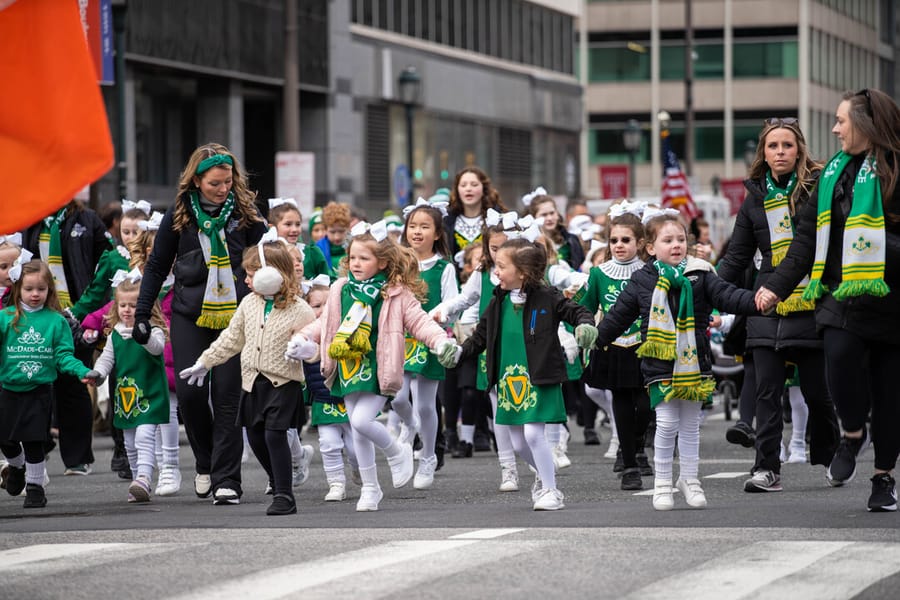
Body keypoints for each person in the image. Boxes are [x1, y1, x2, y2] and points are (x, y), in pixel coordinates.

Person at [756, 88, 900, 512]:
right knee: (839, 360)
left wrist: (880, 249)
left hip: (893, 302)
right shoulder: (830, 176)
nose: (835, 129)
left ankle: (884, 477)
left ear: (867, 126)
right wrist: (775, 287)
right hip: (840, 297)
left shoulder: (896, 171)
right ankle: (853, 433)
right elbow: (804, 243)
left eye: (842, 121)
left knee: (890, 394)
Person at [594, 210, 758, 510]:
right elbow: (618, 316)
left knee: (691, 424)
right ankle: (662, 484)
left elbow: (729, 296)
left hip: (695, 361)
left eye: (681, 239)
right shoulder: (643, 279)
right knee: (667, 423)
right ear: (650, 247)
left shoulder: (701, 273)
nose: (676, 245)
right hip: (659, 362)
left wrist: (758, 300)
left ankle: (691, 479)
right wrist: (595, 339)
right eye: (667, 240)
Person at [288, 221, 457, 512]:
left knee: (360, 422)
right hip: (347, 365)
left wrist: (440, 342)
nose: (356, 263)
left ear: (382, 262)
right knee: (359, 429)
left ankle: (398, 450)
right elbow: (325, 322)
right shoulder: (341, 288)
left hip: (379, 367)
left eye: (364, 258)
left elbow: (420, 323)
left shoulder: (396, 293)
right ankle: (371, 488)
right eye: (353, 257)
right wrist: (302, 337)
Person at [133, 143, 268, 505]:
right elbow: (157, 266)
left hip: (235, 318)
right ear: (196, 180)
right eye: (214, 184)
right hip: (189, 314)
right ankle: (206, 462)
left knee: (226, 397)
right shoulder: (178, 217)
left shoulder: (246, 215)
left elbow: (268, 260)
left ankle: (228, 480)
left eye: (227, 182)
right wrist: (143, 313)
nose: (223, 189)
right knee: (191, 394)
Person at [717, 117, 840, 494]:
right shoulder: (754, 198)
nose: (780, 152)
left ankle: (834, 448)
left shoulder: (819, 189)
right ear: (763, 153)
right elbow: (736, 257)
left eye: (787, 145)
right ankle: (767, 468)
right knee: (766, 392)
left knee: (818, 394)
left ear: (799, 149)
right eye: (773, 146)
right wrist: (709, 287)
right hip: (766, 303)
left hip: (811, 301)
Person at [441, 237, 597, 511]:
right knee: (517, 442)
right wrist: (459, 353)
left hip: (538, 377)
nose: (496, 271)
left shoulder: (547, 297)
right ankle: (545, 474)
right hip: (508, 381)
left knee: (534, 436)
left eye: (501, 266)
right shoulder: (498, 300)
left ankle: (551, 489)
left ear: (522, 273)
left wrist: (585, 326)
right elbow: (480, 337)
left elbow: (578, 312)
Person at [180, 238, 315, 515]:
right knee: (254, 437)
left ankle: (284, 496)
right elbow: (231, 338)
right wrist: (205, 362)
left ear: (273, 273)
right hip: (253, 382)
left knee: (275, 435)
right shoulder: (248, 304)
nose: (246, 279)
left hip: (283, 383)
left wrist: (307, 349)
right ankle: (279, 477)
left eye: (252, 274)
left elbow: (315, 341)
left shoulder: (299, 308)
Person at [432, 217, 521, 490]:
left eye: (506, 246)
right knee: (499, 409)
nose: (499, 253)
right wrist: (444, 310)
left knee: (528, 411)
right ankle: (508, 468)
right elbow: (463, 299)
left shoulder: (527, 274)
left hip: (523, 349)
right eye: (494, 248)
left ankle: (541, 453)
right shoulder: (483, 275)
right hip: (492, 348)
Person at [22, 199, 109, 475]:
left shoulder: (87, 219)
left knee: (72, 385)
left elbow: (107, 264)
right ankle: (37, 448)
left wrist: (87, 307)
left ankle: (77, 457)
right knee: (33, 383)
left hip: (74, 317)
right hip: (35, 315)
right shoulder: (30, 220)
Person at [0, 259, 96, 508]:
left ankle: (34, 488)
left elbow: (64, 356)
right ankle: (17, 466)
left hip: (39, 389)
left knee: (34, 440)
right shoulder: (5, 318)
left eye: (41, 289)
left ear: (49, 291)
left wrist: (83, 371)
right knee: (5, 438)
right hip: (8, 388)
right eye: (29, 289)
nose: (35, 294)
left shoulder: (56, 321)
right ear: (18, 288)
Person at [71, 205, 149, 478]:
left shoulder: (156, 258)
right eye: (125, 231)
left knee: (150, 390)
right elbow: (94, 294)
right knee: (120, 387)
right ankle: (122, 449)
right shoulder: (112, 258)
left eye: (136, 231)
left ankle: (151, 452)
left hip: (151, 332)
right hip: (118, 333)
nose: (129, 237)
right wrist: (74, 316)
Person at [579, 208, 651, 490]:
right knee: (620, 404)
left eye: (626, 240)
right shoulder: (599, 274)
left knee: (646, 406)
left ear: (641, 243)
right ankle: (631, 465)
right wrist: (583, 327)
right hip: (612, 346)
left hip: (645, 346)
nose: (619, 245)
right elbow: (586, 307)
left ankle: (633, 447)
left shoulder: (650, 271)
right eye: (614, 240)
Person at [85, 270, 170, 503]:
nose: (127, 310)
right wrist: (98, 373)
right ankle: (136, 480)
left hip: (150, 393)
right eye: (122, 305)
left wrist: (143, 335)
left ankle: (143, 477)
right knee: (129, 441)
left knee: (144, 436)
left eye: (133, 305)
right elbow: (106, 359)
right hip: (126, 397)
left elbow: (157, 349)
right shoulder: (115, 335)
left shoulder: (153, 330)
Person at [393, 202, 459, 489]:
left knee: (425, 404)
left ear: (436, 233)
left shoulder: (444, 267)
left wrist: (442, 313)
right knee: (396, 397)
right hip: (399, 337)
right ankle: (409, 426)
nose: (417, 232)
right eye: (412, 226)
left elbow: (452, 301)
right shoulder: (396, 262)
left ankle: (429, 456)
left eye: (424, 227)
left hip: (430, 337)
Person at [302, 276, 359, 502]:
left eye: (330, 305)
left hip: (349, 398)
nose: (324, 311)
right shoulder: (306, 339)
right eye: (317, 306)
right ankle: (336, 483)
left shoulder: (349, 333)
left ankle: (358, 468)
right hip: (323, 400)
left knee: (356, 447)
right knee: (328, 444)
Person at [267, 197, 331, 280]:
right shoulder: (266, 254)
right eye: (288, 224)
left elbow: (327, 282)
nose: (294, 229)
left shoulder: (312, 253)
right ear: (273, 227)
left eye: (298, 224)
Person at [523, 190, 586, 270]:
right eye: (544, 215)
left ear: (557, 214)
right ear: (533, 218)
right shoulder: (528, 244)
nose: (549, 218)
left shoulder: (571, 240)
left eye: (552, 213)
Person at [315, 201, 351, 275]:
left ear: (348, 228)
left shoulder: (354, 248)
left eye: (341, 231)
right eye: (332, 232)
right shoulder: (317, 249)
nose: (337, 237)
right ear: (325, 230)